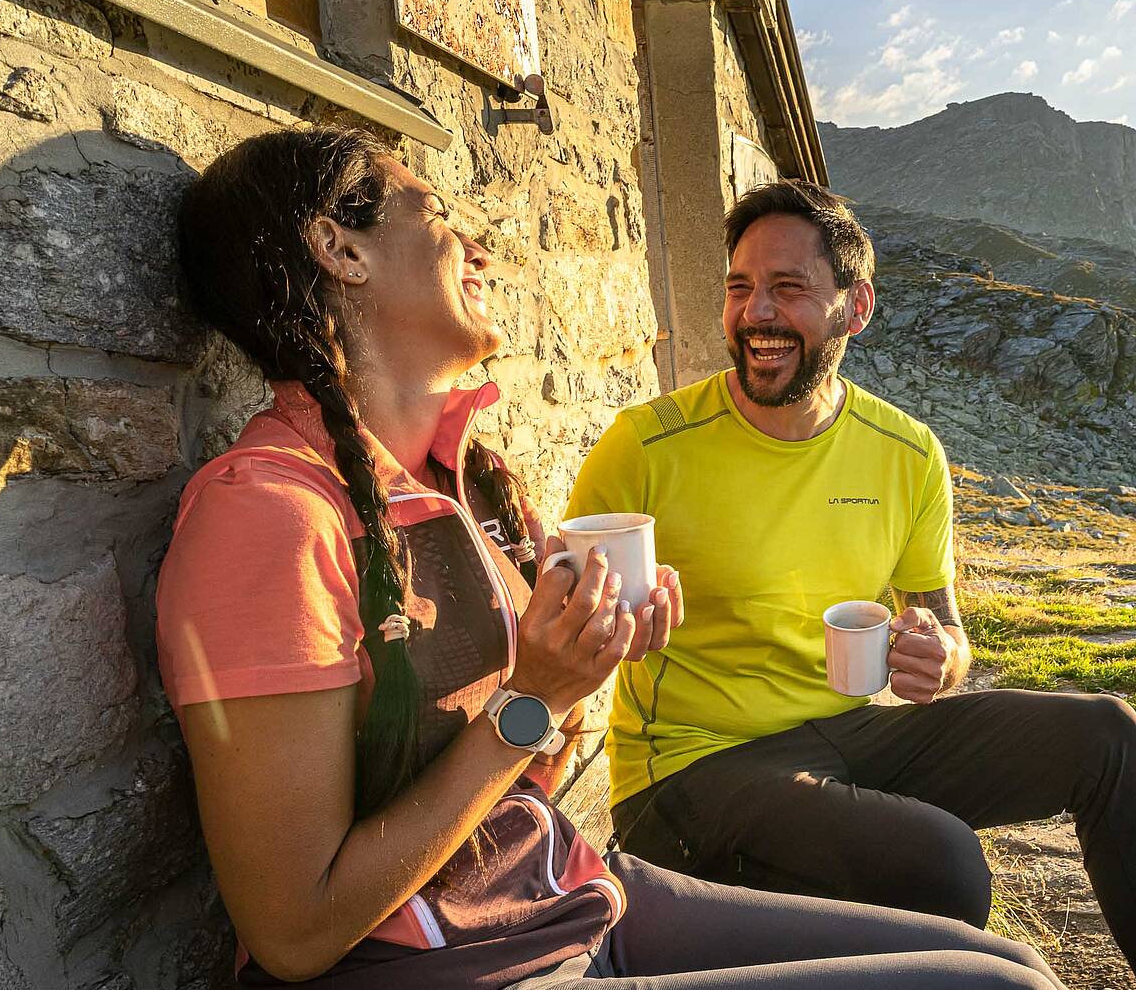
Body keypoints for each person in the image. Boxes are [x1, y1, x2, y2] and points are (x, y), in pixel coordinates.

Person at [155, 127, 1063, 990]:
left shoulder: (465, 478)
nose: (479, 250)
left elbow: (511, 752)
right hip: (464, 966)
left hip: (564, 895)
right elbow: (293, 933)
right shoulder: (270, 514)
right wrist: (536, 699)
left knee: (1019, 967)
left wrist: (594, 654)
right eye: (435, 216)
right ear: (339, 249)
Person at [566, 180, 1136, 990]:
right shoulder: (645, 446)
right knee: (946, 865)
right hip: (688, 771)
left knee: (1104, 735)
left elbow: (947, 630)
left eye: (789, 289)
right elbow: (559, 623)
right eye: (741, 287)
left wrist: (939, 656)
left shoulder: (907, 452)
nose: (756, 314)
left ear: (856, 308)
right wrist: (601, 635)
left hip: (845, 732)